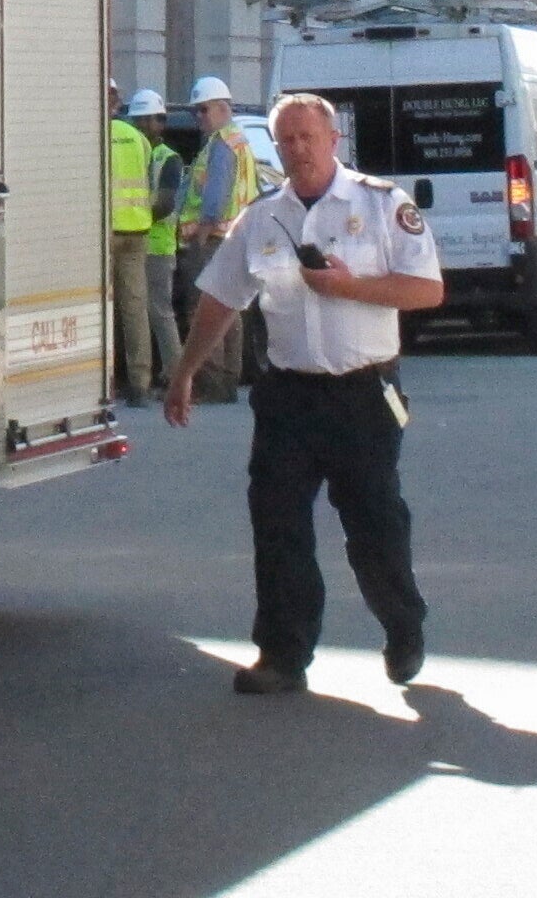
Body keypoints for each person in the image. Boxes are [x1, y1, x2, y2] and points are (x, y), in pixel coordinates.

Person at [162, 90, 445, 696]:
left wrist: (352, 287)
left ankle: (403, 625)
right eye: (287, 140)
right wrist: (185, 371)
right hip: (289, 395)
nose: (297, 149)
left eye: (307, 138)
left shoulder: (380, 204)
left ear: (332, 141)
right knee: (277, 523)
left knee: (375, 525)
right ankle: (282, 655)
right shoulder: (263, 217)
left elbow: (426, 291)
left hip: (364, 394)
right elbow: (220, 299)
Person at [176, 79, 259, 401]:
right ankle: (226, 381)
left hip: (213, 240)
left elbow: (215, 195)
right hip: (233, 238)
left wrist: (202, 232)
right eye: (196, 111)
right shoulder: (239, 140)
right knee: (229, 309)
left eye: (203, 109)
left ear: (223, 108)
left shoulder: (222, 144)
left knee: (203, 311)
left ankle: (211, 385)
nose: (199, 117)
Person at [108, 85, 159, 399]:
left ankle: (107, 381)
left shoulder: (96, 135)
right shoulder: (138, 137)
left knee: (103, 309)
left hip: (107, 231)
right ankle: (140, 384)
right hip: (137, 231)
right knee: (135, 309)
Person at [141, 98, 188, 393]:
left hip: (157, 245)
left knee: (159, 311)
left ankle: (174, 374)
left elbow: (167, 204)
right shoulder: (138, 149)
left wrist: (135, 220)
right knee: (142, 312)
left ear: (161, 123)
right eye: (140, 119)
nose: (145, 125)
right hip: (140, 241)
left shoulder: (167, 157)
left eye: (150, 119)